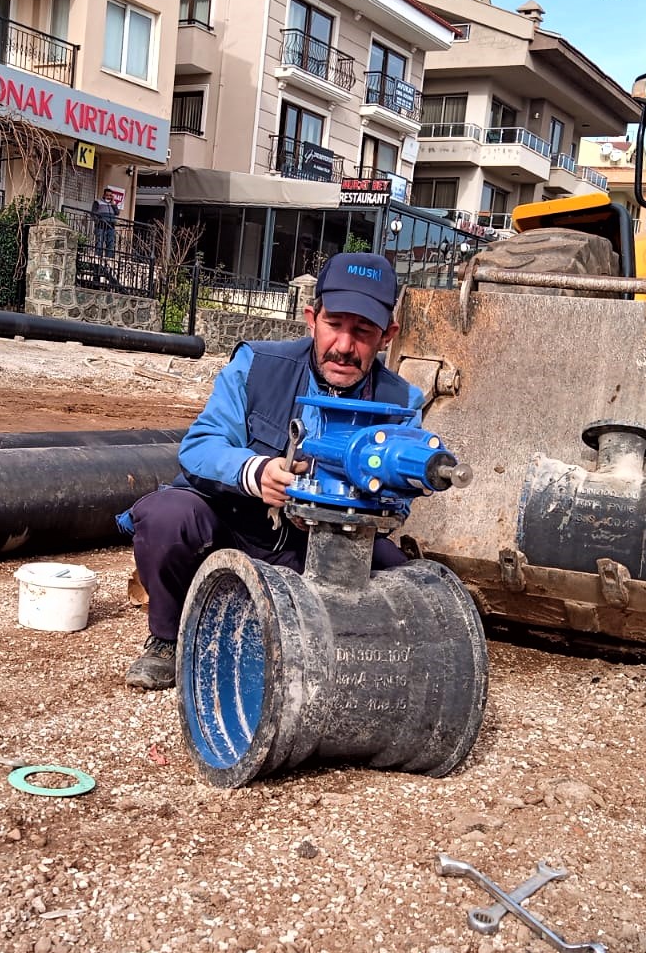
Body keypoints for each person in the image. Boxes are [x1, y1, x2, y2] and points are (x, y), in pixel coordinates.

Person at [120, 251, 425, 690]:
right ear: (311, 317)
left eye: (362, 331)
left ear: (387, 336)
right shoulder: (256, 365)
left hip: (326, 543)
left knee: (404, 582)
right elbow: (200, 447)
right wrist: (256, 471)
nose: (344, 345)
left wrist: (349, 505)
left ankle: (335, 649)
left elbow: (402, 498)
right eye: (334, 324)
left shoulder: (402, 404)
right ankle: (167, 639)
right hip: (235, 526)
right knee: (168, 517)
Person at [91, 189, 118, 259]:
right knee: (99, 243)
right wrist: (98, 221)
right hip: (101, 226)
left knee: (110, 244)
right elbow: (93, 213)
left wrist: (113, 203)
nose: (108, 197)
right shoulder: (98, 202)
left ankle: (108, 260)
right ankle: (97, 259)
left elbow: (117, 212)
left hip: (111, 227)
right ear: (103, 195)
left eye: (110, 195)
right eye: (107, 195)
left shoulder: (112, 203)